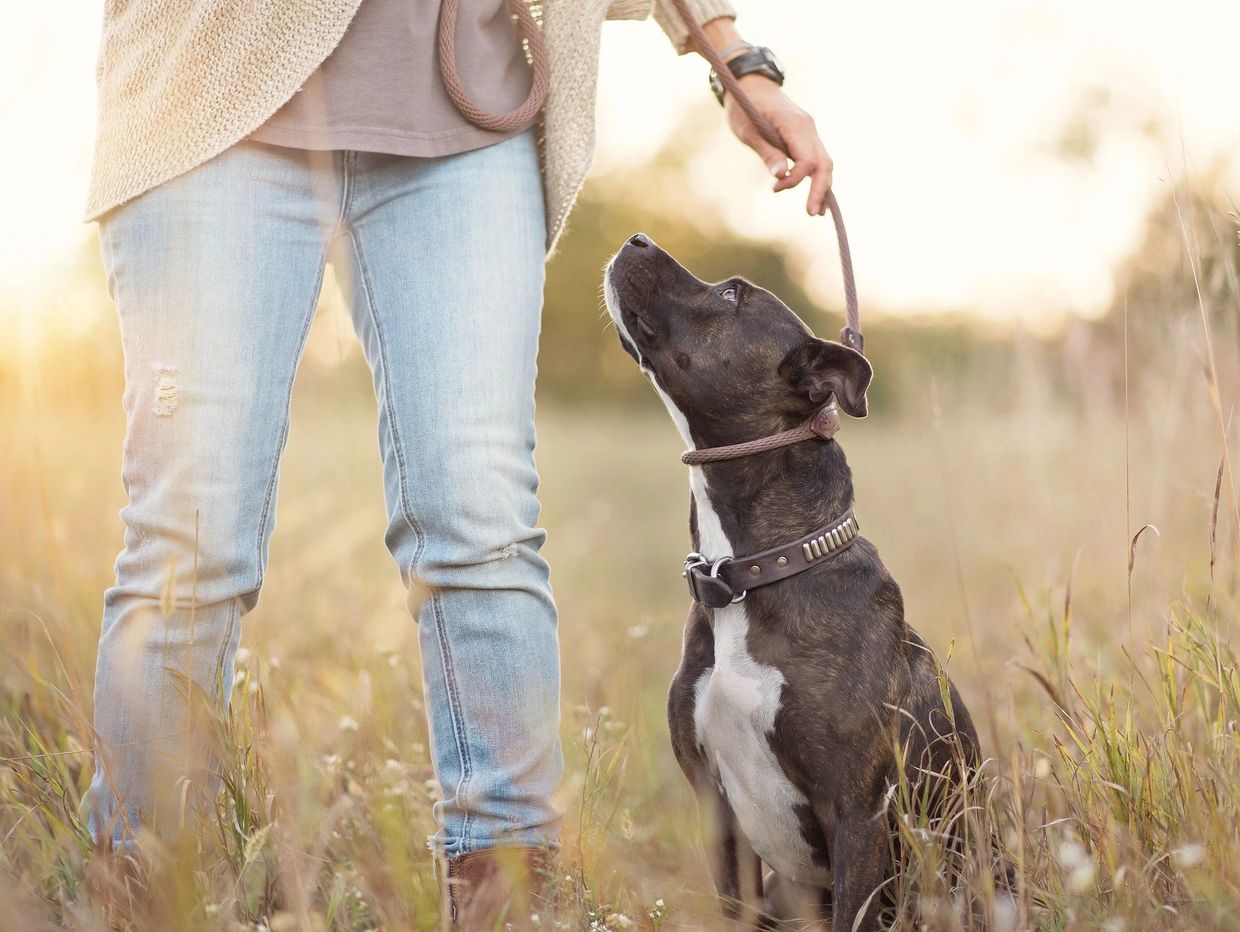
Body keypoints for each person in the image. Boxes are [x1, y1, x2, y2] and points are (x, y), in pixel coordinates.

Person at [83, 0, 833, 923]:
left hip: (465, 117)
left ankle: (505, 897)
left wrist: (737, 60)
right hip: (213, 105)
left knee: (483, 531)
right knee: (189, 545)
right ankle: (142, 884)